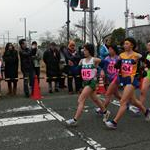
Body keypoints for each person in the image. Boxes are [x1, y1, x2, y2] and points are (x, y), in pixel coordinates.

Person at [105, 38, 150, 129]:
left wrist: (143, 70)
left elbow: (148, 63)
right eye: (124, 44)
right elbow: (117, 66)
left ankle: (114, 122)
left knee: (123, 101)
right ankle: (146, 112)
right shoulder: (121, 55)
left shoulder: (137, 55)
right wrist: (118, 63)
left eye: (127, 44)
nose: (124, 45)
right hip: (124, 79)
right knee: (133, 101)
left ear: (132, 45)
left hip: (132, 79)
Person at [65, 43, 110, 126]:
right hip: (85, 83)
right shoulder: (82, 61)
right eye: (83, 50)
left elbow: (106, 63)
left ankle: (75, 120)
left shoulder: (95, 60)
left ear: (89, 51)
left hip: (92, 82)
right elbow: (75, 71)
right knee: (95, 99)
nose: (83, 51)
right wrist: (71, 66)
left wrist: (103, 70)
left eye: (85, 50)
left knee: (81, 99)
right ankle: (106, 112)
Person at [96, 44, 121, 114]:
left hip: (116, 78)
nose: (109, 51)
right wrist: (102, 71)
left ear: (114, 50)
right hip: (110, 78)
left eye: (110, 49)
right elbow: (104, 67)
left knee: (108, 94)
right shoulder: (107, 58)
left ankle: (102, 109)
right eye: (108, 49)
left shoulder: (118, 58)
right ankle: (125, 103)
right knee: (116, 95)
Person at [139, 41, 150, 105]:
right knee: (143, 91)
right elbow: (146, 64)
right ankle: (140, 106)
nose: (148, 47)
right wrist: (143, 67)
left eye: (149, 45)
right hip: (148, 74)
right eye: (148, 45)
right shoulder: (147, 54)